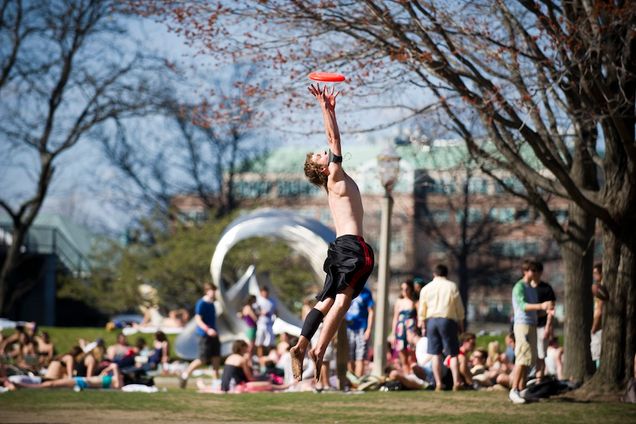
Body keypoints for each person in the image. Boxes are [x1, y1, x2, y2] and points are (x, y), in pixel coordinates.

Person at [289, 84, 375, 382]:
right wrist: (326, 108)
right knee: (342, 302)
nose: (321, 152)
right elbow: (334, 138)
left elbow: (330, 141)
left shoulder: (332, 185)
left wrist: (330, 109)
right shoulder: (336, 176)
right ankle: (319, 350)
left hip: (338, 248)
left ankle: (302, 343)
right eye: (317, 157)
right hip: (354, 248)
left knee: (325, 301)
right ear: (323, 169)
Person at [509, 259, 554, 404]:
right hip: (522, 325)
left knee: (530, 358)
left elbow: (535, 311)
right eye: (532, 270)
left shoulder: (533, 289)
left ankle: (522, 390)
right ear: (525, 271)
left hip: (532, 325)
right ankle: (514, 390)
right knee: (522, 357)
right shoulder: (519, 287)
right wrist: (542, 305)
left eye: (536, 271)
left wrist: (546, 310)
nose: (535, 273)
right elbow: (522, 306)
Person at [417, 264, 465, 391]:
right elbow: (458, 307)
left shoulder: (426, 288)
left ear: (434, 274)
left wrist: (422, 323)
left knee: (435, 353)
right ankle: (456, 382)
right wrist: (461, 323)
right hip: (448, 320)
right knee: (453, 353)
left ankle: (438, 383)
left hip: (432, 320)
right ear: (447, 274)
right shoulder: (452, 286)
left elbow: (422, 308)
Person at [179, 283, 221, 388]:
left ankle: (216, 381)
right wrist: (207, 330)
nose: (215, 292)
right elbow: (198, 320)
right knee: (203, 359)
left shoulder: (212, 304)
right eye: (213, 290)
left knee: (216, 358)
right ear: (207, 291)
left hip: (214, 334)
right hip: (204, 335)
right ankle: (185, 374)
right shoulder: (201, 303)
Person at [13, 362, 124, 391]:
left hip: (82, 382)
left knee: (52, 384)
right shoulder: (111, 378)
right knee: (53, 383)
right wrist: (107, 369)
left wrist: (113, 368)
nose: (120, 376)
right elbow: (112, 368)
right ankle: (25, 385)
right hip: (81, 380)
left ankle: (25, 385)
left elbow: (116, 367)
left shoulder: (116, 383)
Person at [531, 261, 556, 382]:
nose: (532, 273)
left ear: (540, 273)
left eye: (535, 271)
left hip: (541, 326)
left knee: (541, 356)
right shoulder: (525, 288)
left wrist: (548, 327)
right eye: (531, 270)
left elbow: (551, 310)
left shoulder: (546, 289)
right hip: (528, 326)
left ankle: (538, 382)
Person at [345, 285, 374, 378]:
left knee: (360, 356)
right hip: (348, 328)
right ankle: (351, 381)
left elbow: (371, 311)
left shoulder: (366, 292)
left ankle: (357, 382)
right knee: (349, 356)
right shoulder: (348, 290)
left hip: (362, 328)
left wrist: (369, 329)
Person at [391, 279, 417, 374]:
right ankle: (406, 375)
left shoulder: (414, 302)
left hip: (411, 329)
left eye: (407, 289)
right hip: (400, 330)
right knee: (402, 355)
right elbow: (395, 318)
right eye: (402, 289)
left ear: (411, 289)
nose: (405, 291)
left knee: (411, 355)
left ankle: (413, 376)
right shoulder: (399, 301)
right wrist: (393, 334)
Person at [255, 286, 277, 360]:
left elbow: (275, 312)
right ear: (261, 293)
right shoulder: (258, 301)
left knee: (270, 343)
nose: (265, 293)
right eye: (264, 292)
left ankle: (270, 359)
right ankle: (260, 359)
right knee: (260, 343)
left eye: (266, 292)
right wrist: (260, 313)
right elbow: (254, 311)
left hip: (269, 324)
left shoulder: (272, 301)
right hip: (261, 324)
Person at [591, 262, 606, 369]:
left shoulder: (601, 289)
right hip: (601, 326)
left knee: (598, 354)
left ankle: (599, 371)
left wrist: (594, 327)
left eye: (595, 273)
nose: (594, 276)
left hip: (600, 327)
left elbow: (599, 310)